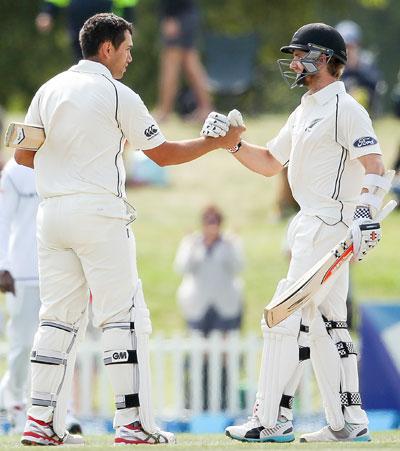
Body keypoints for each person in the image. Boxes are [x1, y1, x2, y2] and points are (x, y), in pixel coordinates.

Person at [14, 13, 243, 446]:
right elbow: (164, 154)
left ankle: (39, 422)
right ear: (107, 49)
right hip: (99, 214)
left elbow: (25, 157)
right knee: (123, 319)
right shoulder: (117, 94)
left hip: (52, 216)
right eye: (127, 49)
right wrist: (216, 142)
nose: (130, 57)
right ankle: (132, 424)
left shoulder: (48, 89)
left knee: (57, 320)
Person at [204, 23, 391, 443]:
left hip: (331, 224)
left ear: (324, 58)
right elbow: (271, 161)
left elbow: (375, 166)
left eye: (300, 54)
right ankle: (348, 421)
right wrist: (231, 144)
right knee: (327, 323)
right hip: (311, 223)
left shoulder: (346, 109)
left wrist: (364, 215)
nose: (293, 62)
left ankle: (271, 419)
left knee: (281, 316)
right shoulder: (306, 107)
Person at [174, 205, 244, 410]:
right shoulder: (192, 242)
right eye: (208, 221)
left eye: (215, 222)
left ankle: (224, 400)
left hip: (225, 305)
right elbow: (181, 268)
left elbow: (239, 267)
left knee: (224, 356)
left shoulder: (230, 243)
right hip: (199, 306)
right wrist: (195, 247)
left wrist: (230, 245)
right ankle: (195, 400)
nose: (211, 226)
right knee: (198, 355)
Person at [0, 159, 40, 434]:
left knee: (54, 344)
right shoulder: (14, 172)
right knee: (23, 343)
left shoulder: (63, 162)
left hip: (57, 270)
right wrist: (3, 266)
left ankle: (54, 408)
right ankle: (14, 402)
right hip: (21, 273)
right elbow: (2, 220)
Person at [153, 0, 213, 122]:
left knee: (170, 64)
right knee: (192, 66)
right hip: (186, 15)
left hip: (178, 17)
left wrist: (170, 17)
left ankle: (164, 112)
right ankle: (206, 109)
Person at [36, 0, 139, 61]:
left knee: (108, 67)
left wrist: (129, 21)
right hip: (78, 31)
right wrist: (48, 13)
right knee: (82, 65)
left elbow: (126, 3)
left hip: (107, 30)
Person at [335, 20, 383, 117]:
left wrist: (356, 67)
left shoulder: (367, 61)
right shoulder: (333, 64)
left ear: (358, 45)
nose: (347, 51)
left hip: (365, 113)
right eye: (344, 47)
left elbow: (376, 85)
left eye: (351, 47)